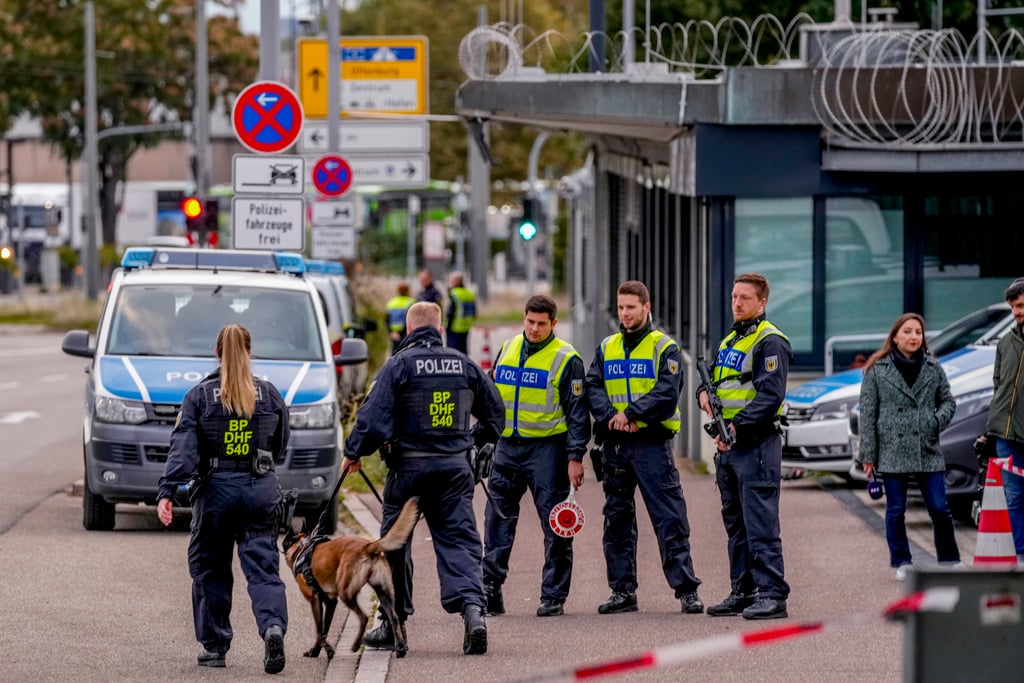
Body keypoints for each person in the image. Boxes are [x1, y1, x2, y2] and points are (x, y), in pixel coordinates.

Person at [343, 302, 504, 655]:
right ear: (441, 329)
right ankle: (474, 613)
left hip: (409, 470)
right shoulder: (464, 364)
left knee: (394, 545)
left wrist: (354, 452)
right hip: (454, 471)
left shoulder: (398, 365)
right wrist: (468, 443)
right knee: (460, 541)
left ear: (409, 329)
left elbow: (372, 420)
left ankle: (391, 623)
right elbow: (496, 415)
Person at [156, 324, 290, 674]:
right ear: (249, 352)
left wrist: (167, 491)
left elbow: (183, 451)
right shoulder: (270, 394)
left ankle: (215, 648)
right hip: (260, 489)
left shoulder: (199, 396)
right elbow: (281, 445)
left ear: (217, 353)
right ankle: (272, 627)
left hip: (215, 492)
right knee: (263, 569)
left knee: (211, 570)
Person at [585, 280, 703, 616]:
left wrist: (631, 414)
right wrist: (611, 417)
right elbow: (593, 386)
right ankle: (622, 591)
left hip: (650, 443)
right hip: (616, 443)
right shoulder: (607, 347)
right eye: (621, 308)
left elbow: (667, 394)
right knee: (617, 520)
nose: (625, 314)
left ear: (646, 307)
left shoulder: (663, 347)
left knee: (669, 517)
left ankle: (686, 590)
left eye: (631, 308)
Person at [483, 295, 590, 618]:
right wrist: (483, 440)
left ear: (553, 324)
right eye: (530, 322)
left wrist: (575, 457)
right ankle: (490, 588)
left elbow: (577, 415)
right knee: (496, 522)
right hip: (507, 448)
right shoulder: (510, 347)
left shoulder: (566, 358)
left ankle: (553, 595)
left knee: (556, 524)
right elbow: (490, 396)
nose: (534, 328)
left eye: (541, 324)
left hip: (547, 450)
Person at [697, 272, 790, 620]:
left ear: (762, 302)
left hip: (756, 444)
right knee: (736, 525)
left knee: (760, 522)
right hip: (729, 447)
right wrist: (702, 394)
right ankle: (744, 590)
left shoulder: (771, 341)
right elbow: (719, 385)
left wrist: (736, 426)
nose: (736, 303)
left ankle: (772, 593)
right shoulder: (729, 342)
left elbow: (770, 396)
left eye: (745, 298)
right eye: (734, 297)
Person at [855, 312, 960, 580]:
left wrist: (934, 422)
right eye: (908, 332)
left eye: (918, 332)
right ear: (895, 336)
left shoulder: (933, 368)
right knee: (896, 509)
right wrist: (868, 454)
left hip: (927, 446)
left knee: (939, 507)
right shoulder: (877, 369)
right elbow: (868, 414)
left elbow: (948, 402)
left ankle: (950, 561)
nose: (914, 337)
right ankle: (902, 561)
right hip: (892, 447)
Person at [985, 277, 1024, 562]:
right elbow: (998, 385)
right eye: (1013, 307)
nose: (1017, 312)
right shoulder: (1006, 341)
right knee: (1014, 497)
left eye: (1021, 305)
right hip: (1006, 435)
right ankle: (1020, 558)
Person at [446, 271, 477, 355]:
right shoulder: (469, 293)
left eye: (451, 281)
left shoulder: (453, 294)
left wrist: (447, 326)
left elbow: (450, 312)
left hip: (454, 328)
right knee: (463, 352)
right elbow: (474, 312)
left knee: (453, 353)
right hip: (466, 327)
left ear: (456, 282)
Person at [385, 282, 416, 353]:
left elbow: (387, 320)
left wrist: (391, 332)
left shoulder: (391, 302)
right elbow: (410, 319)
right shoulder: (411, 302)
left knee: (394, 355)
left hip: (394, 334)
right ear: (408, 291)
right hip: (406, 334)